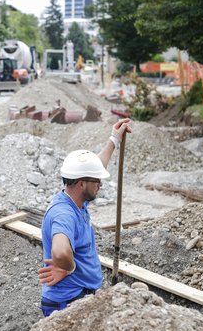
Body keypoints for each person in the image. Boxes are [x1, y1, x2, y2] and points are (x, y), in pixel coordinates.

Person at [38, 118, 132, 317]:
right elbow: (61, 251)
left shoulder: (76, 200)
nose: (100, 184)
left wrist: (114, 139)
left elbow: (94, 169)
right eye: (96, 181)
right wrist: (69, 268)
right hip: (68, 302)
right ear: (81, 183)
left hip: (78, 296)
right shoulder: (64, 214)